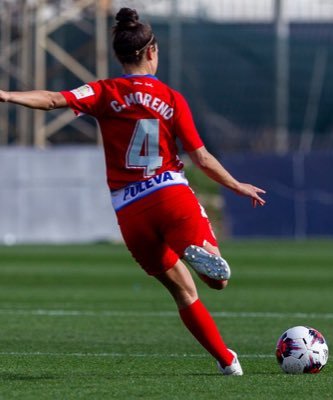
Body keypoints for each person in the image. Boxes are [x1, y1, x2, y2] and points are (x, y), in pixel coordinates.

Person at [0, 8, 265, 375]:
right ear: (152, 51)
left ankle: (227, 361)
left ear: (119, 56)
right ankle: (198, 252)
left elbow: (51, 99)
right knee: (217, 280)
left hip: (130, 211)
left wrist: (8, 95)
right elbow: (200, 157)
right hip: (170, 194)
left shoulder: (103, 92)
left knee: (184, 294)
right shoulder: (171, 98)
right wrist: (236, 185)